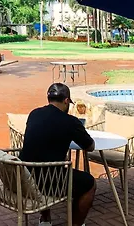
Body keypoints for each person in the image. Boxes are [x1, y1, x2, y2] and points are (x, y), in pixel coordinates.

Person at [19, 83, 96, 226]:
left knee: (45, 163)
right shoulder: (70, 122)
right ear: (66, 101)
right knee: (89, 183)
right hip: (47, 182)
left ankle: (45, 219)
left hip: (24, 176)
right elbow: (90, 146)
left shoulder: (34, 113)